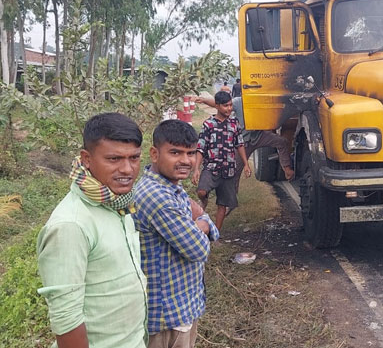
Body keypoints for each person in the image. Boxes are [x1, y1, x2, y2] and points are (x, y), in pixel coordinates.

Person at [37, 113, 147, 348]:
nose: (127, 169)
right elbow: (67, 321)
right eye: (114, 159)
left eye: (134, 158)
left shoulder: (118, 202)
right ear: (87, 159)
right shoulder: (71, 225)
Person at [133, 119, 219, 348]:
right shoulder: (157, 196)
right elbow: (199, 249)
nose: (185, 160)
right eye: (175, 152)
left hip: (182, 307)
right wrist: (201, 223)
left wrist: (201, 223)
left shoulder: (170, 187)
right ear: (154, 153)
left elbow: (210, 228)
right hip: (167, 318)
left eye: (191, 153)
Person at [192, 94, 294, 181]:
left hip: (259, 135)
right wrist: (204, 100)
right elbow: (218, 104)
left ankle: (287, 169)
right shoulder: (238, 102)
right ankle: (230, 198)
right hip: (242, 142)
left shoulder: (265, 100)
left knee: (282, 142)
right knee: (235, 173)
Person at [192, 90, 250, 230]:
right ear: (217, 106)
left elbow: (240, 144)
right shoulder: (208, 125)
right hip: (211, 167)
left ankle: (216, 234)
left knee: (223, 204)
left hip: (228, 170)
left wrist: (246, 164)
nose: (229, 108)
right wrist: (196, 169)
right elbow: (201, 148)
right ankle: (204, 201)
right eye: (225, 106)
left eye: (230, 105)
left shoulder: (234, 124)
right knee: (201, 191)